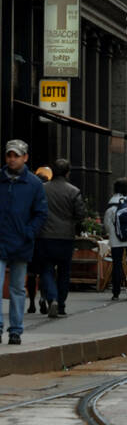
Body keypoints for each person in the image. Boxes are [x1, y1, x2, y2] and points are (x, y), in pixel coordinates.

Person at [0, 140, 48, 344]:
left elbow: (41, 213)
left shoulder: (34, 184)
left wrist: (29, 232)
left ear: (25, 157)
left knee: (18, 288)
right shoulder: (0, 179)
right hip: (2, 240)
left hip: (21, 242)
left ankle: (16, 330)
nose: (12, 159)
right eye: (9, 155)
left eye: (16, 155)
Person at [37, 157, 85, 318]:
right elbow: (80, 214)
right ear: (67, 173)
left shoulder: (42, 189)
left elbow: (35, 209)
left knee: (46, 269)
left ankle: (52, 298)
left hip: (45, 236)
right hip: (65, 236)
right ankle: (62, 304)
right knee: (64, 271)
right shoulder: (73, 191)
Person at [26, 166, 53, 314]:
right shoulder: (49, 194)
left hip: (32, 238)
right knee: (44, 271)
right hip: (46, 237)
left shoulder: (30, 193)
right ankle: (43, 297)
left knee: (31, 273)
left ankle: (31, 302)